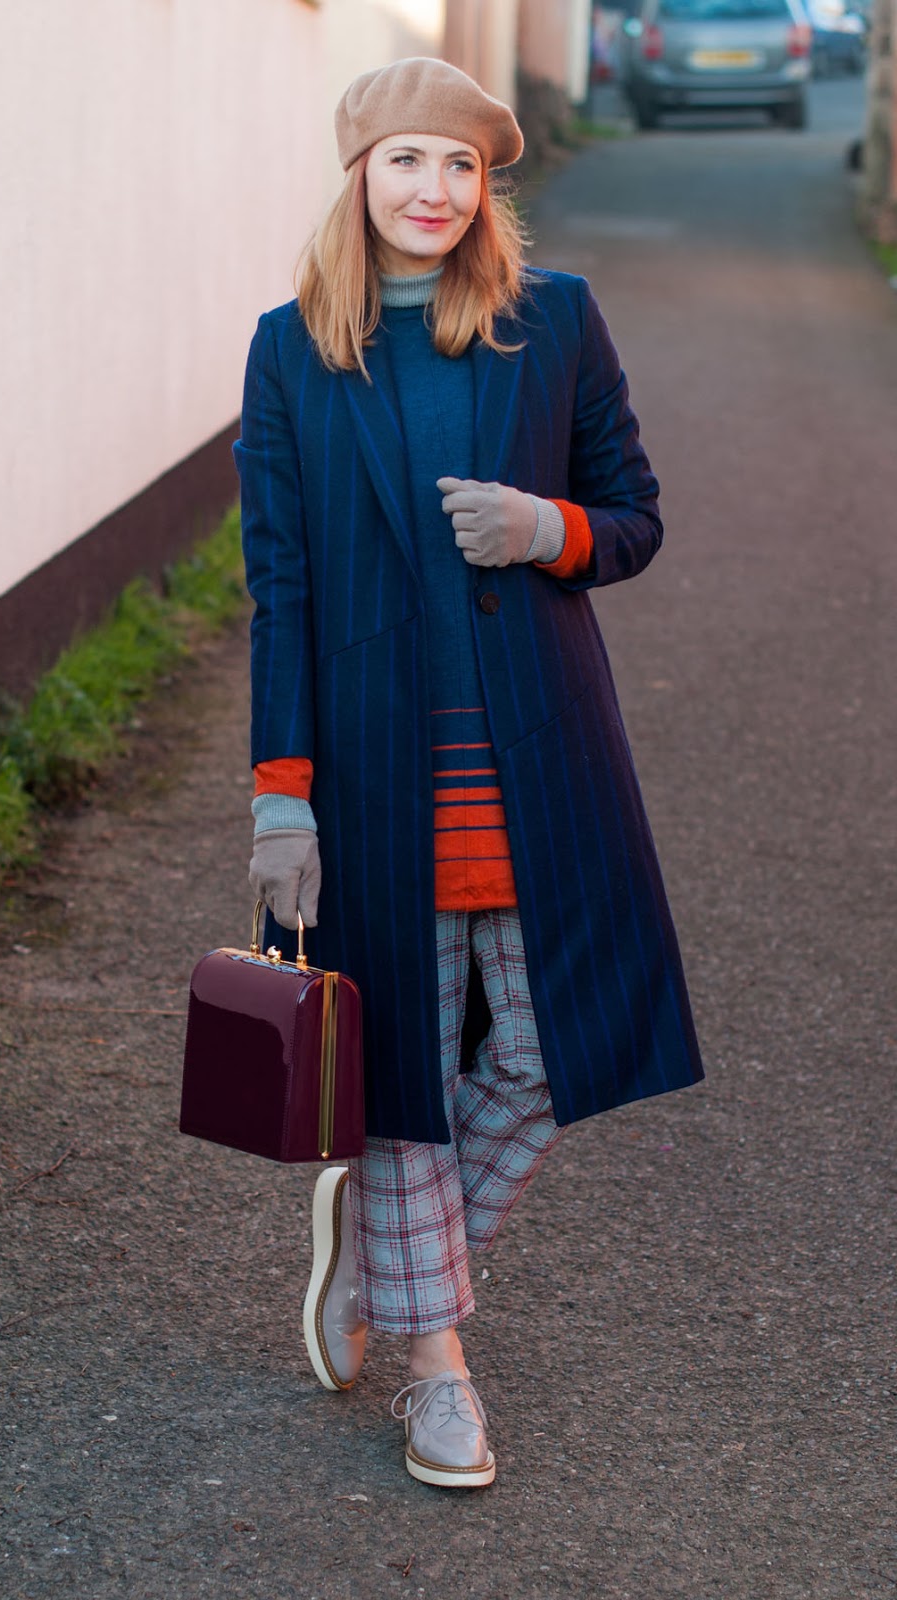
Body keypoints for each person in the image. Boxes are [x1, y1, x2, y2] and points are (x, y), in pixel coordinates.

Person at [235, 56, 703, 1489]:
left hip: (543, 763)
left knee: (553, 1052)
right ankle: (437, 1369)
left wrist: (545, 526)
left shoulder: (548, 321)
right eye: (404, 164)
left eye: (459, 167)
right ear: (359, 179)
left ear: (486, 184)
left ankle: (382, 1261)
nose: (433, 191)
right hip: (377, 778)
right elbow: (284, 587)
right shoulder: (293, 347)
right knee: (401, 1082)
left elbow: (634, 518)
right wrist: (280, 793)